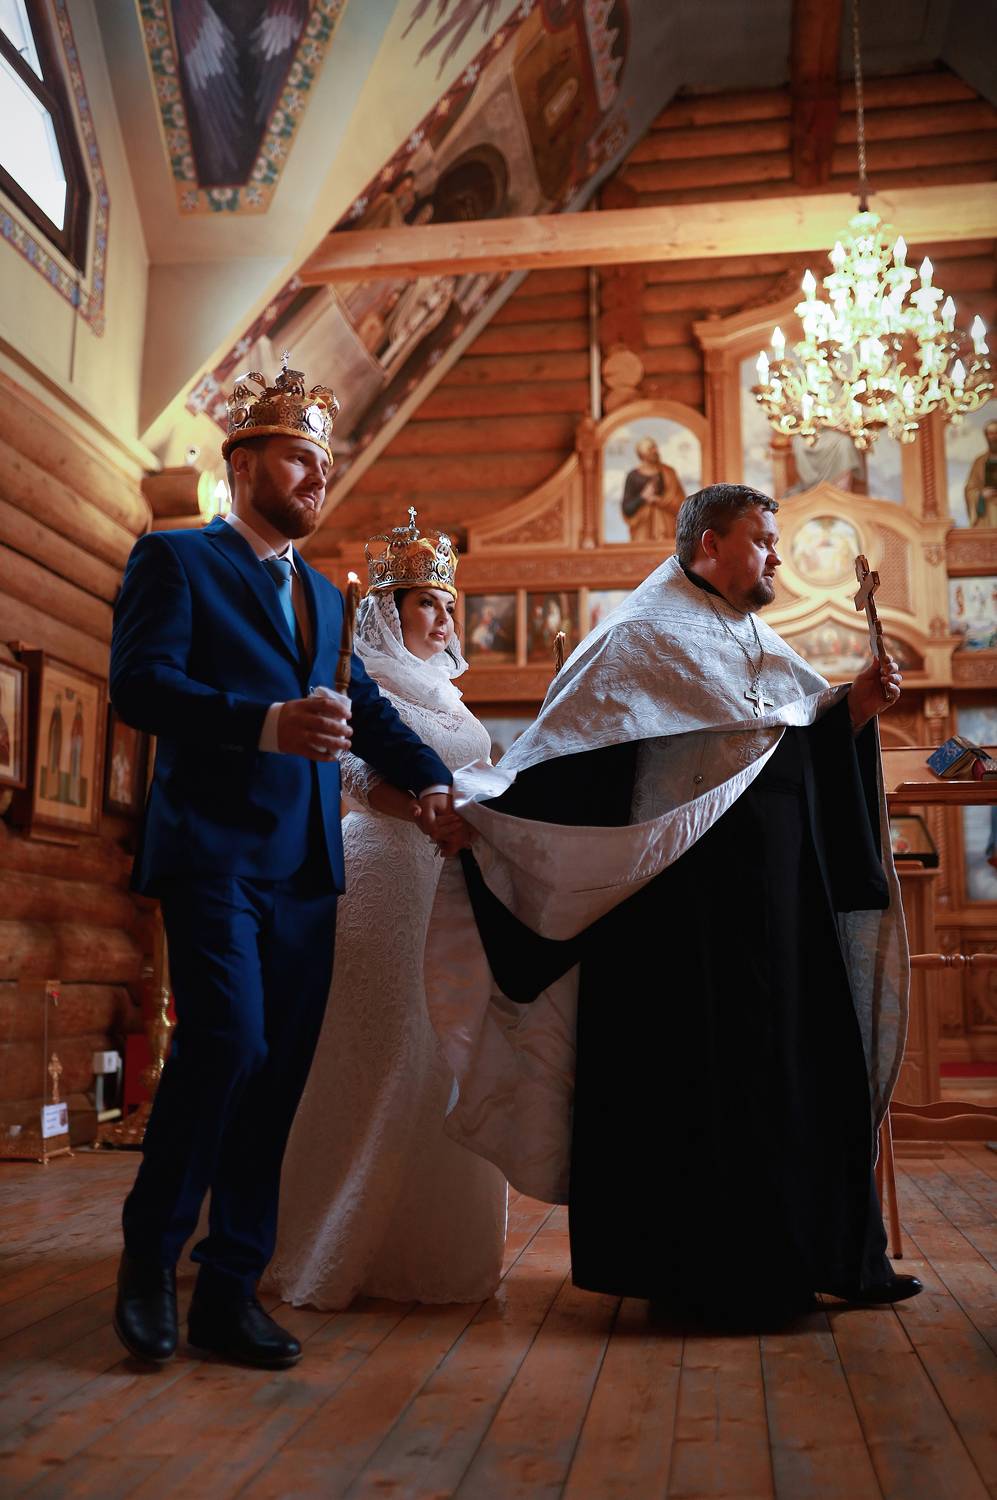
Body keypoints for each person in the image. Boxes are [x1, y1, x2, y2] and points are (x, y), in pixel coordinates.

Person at [423, 482, 921, 1325]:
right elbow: (565, 755)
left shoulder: (754, 636)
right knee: (698, 1086)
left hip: (781, 913)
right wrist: (492, 812)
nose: (775, 556)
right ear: (708, 545)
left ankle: (813, 1256)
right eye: (760, 540)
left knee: (790, 1072)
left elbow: (787, 741)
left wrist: (851, 711)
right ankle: (703, 1278)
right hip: (680, 921)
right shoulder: (637, 636)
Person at [109, 360, 455, 1370]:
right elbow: (140, 687)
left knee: (276, 1080)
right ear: (243, 463)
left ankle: (231, 1291)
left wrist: (435, 784)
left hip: (306, 866)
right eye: (299, 458)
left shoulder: (324, 596)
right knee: (228, 1041)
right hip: (212, 851)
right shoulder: (176, 560)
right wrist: (264, 724)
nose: (316, 477)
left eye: (324, 464)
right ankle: (149, 1259)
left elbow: (367, 715)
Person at [271, 512, 506, 1308]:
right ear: (386, 609)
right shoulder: (356, 676)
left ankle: (427, 1248)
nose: (443, 621)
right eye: (425, 604)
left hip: (450, 874)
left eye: (449, 606)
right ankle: (323, 1234)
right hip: (383, 870)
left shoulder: (449, 696)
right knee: (383, 1051)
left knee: (446, 1050)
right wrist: (433, 815)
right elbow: (351, 777)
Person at [620, 437, 684, 543]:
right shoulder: (633, 476)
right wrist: (643, 497)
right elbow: (627, 509)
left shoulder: (669, 473)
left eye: (655, 447)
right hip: (642, 530)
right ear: (642, 454)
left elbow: (681, 503)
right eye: (650, 449)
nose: (655, 451)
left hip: (668, 530)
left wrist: (659, 501)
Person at [964, 419, 997, 527]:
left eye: (996, 432)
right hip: (987, 516)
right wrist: (981, 494)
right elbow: (970, 489)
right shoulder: (980, 462)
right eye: (990, 433)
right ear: (986, 436)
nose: (994, 437)